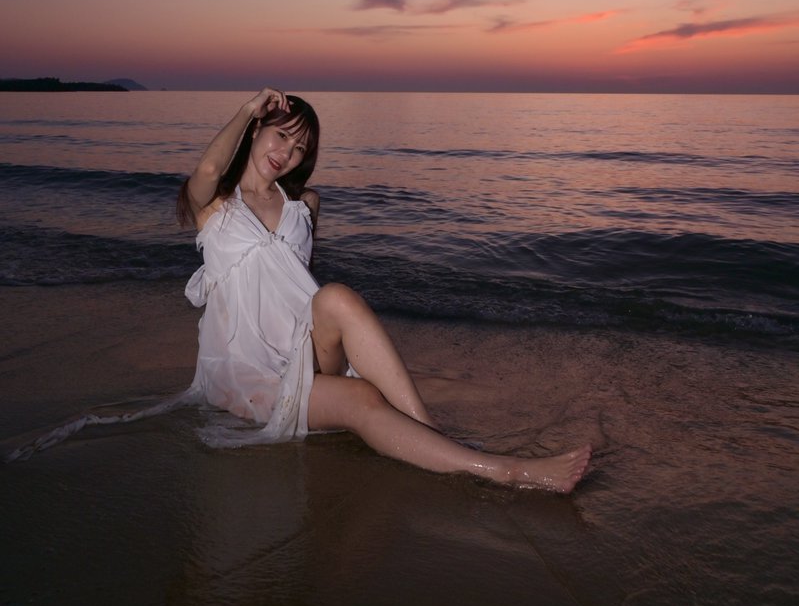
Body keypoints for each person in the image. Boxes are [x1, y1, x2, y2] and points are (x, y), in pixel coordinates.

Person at [177, 86, 591, 492]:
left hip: (303, 349)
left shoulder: (304, 205)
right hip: (249, 371)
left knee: (335, 295)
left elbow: (297, 287)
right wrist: (251, 106)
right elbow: (210, 170)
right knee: (361, 397)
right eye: (281, 135)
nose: (286, 153)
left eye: (300, 148)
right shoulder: (216, 204)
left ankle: (430, 433)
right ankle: (504, 470)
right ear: (255, 129)